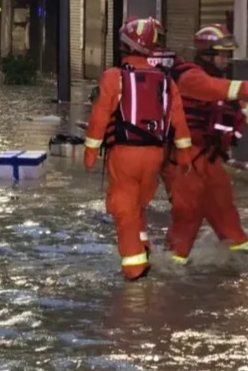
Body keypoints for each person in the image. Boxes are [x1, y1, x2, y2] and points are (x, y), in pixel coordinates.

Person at [83, 17, 193, 280]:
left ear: (125, 46)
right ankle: (144, 248)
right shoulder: (166, 81)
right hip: (156, 157)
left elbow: (99, 118)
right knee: (138, 205)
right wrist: (185, 157)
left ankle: (134, 271)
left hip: (125, 154)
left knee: (124, 208)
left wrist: (89, 155)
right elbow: (179, 122)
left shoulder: (114, 77)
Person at [162, 24, 248, 263]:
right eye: (222, 54)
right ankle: (170, 270)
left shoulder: (216, 82)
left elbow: (241, 114)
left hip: (209, 161)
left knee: (226, 213)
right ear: (207, 53)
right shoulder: (191, 78)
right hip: (185, 162)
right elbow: (216, 90)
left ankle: (242, 260)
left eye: (228, 55)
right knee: (187, 217)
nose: (226, 60)